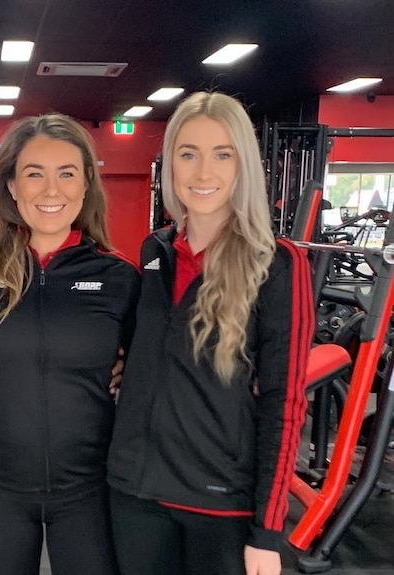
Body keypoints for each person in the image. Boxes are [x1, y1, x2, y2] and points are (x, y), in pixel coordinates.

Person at [107, 92, 314, 575]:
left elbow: (285, 404)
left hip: (221, 505)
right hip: (135, 492)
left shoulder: (277, 264)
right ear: (169, 165)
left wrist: (268, 531)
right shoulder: (154, 252)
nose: (204, 172)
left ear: (243, 164)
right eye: (189, 154)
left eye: (223, 154)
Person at [0, 114, 140, 575]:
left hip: (89, 490)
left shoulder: (119, 278)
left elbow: (155, 372)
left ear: (85, 186)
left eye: (67, 173)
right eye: (34, 173)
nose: (51, 190)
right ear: (12, 186)